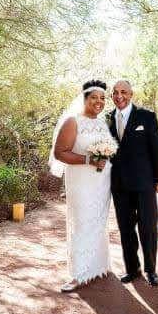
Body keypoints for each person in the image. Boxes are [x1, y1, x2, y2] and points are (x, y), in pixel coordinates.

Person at [49, 80, 114, 293]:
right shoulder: (72, 122)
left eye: (102, 98)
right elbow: (60, 152)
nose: (99, 101)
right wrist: (89, 161)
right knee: (82, 222)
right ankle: (79, 273)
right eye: (94, 97)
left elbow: (108, 150)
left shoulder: (103, 124)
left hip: (101, 182)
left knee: (98, 221)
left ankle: (99, 267)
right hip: (81, 182)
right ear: (85, 98)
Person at [107, 80, 158, 286]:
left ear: (131, 94)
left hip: (144, 183)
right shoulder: (108, 118)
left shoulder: (146, 117)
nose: (119, 96)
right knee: (125, 228)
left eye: (123, 92)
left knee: (148, 227)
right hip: (119, 185)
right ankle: (132, 269)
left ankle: (151, 270)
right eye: (115, 93)